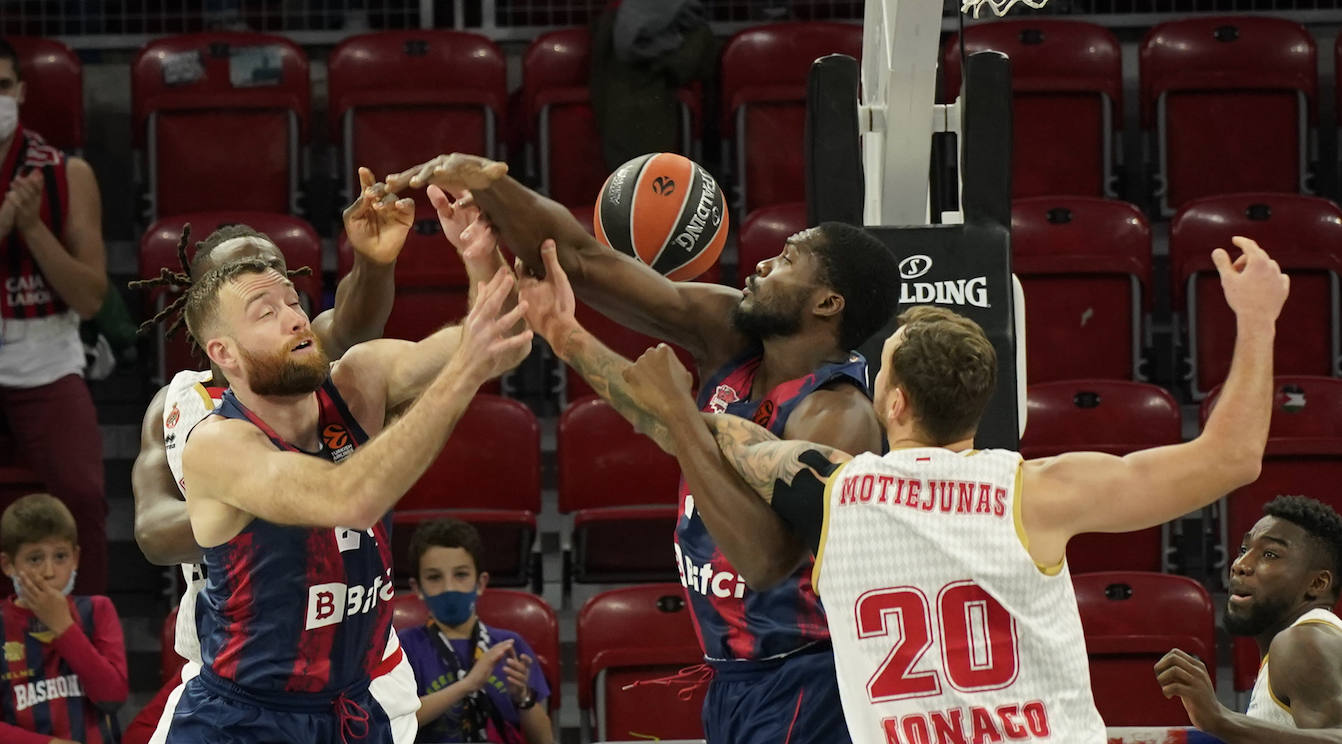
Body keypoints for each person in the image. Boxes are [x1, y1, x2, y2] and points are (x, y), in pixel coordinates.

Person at [523, 235, 1289, 742]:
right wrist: (1257, 321)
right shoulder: (1038, 493)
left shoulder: (841, 494)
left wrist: (571, 338)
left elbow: (693, 433)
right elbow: (1231, 460)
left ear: (890, 405)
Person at [388, 154, 899, 744]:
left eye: (787, 261)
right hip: (733, 675)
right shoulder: (729, 332)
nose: (763, 262)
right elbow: (581, 257)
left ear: (827, 304)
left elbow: (763, 562)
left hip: (804, 677)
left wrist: (684, 414)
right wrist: (495, 188)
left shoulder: (838, 415)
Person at [127, 170, 486, 744]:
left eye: (289, 291)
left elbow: (364, 327)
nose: (289, 311)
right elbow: (150, 532)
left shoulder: (337, 370)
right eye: (257, 301)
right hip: (247, 672)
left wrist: (475, 257)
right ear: (204, 305)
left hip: (357, 679)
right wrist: (248, 503)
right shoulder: (191, 418)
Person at [0, 33, 109, 595]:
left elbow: (92, 297)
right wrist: (1, 225)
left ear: (21, 92)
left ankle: (92, 628)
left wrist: (31, 229)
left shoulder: (67, 173)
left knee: (83, 493)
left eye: (2, 86)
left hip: (47, 357)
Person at [1156, 495, 1342, 741]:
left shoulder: (1305, 640)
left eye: (1270, 555)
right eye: (1244, 550)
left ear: (1318, 583)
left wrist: (1220, 720)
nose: (1241, 565)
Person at [0, 494, 127, 744]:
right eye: (35, 559)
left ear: (75, 558)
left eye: (60, 557)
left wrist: (64, 627)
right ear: (8, 564)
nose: (49, 572)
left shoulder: (99, 610)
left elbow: (113, 697)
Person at [400, 518, 553, 744]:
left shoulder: (510, 646)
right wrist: (467, 685)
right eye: (434, 577)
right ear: (417, 588)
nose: (449, 588)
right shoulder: (403, 647)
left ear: (480, 583)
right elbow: (396, 723)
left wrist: (524, 698)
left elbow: (544, 740)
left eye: (461, 575)